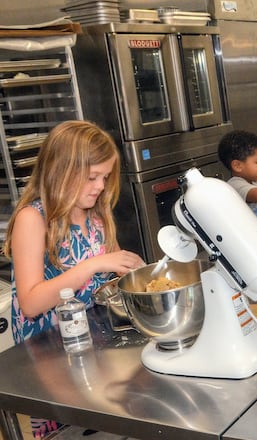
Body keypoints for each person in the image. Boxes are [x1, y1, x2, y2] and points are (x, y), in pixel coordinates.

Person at [2, 120, 146, 437]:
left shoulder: (95, 214)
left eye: (105, 177)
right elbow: (30, 302)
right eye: (92, 177)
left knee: (107, 421)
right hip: (49, 354)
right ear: (61, 171)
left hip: (92, 344)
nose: (100, 186)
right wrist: (94, 264)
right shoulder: (33, 219)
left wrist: (133, 275)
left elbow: (111, 274)